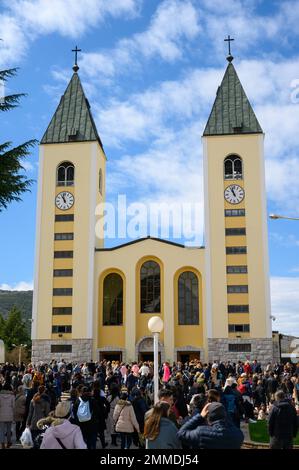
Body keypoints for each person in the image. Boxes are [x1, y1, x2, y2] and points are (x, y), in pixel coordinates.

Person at [177, 402, 244, 449]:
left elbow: (181, 433)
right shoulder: (238, 434)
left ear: (208, 418)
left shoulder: (202, 433)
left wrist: (200, 416)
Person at [0, 382, 15, 449]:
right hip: (9, 414)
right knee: (9, 429)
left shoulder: (0, 395)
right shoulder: (12, 396)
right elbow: (13, 406)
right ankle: (9, 442)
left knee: (2, 430)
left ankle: (2, 443)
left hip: (1, 414)